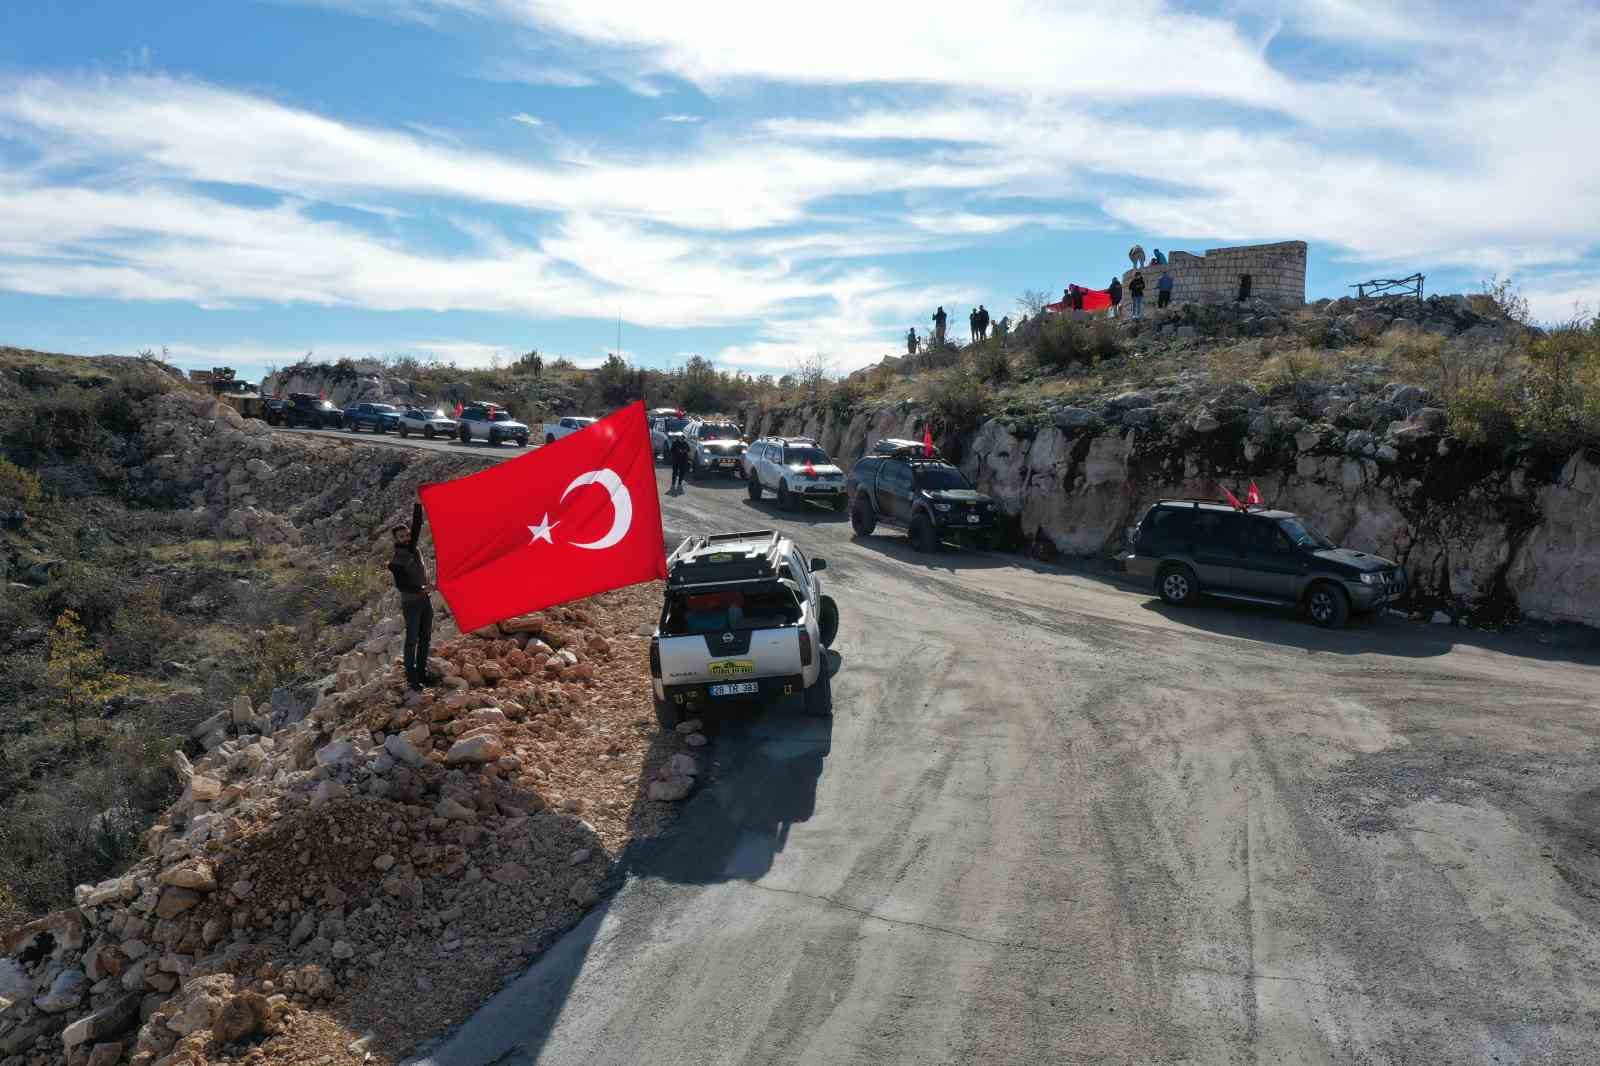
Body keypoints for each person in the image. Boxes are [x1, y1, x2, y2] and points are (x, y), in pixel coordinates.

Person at [389, 502, 439, 690]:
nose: (406, 538)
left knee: (425, 637)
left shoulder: (413, 547)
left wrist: (419, 502)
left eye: (407, 534)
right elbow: (402, 586)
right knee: (412, 640)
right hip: (412, 604)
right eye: (401, 536)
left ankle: (422, 672)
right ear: (396, 539)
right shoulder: (396, 561)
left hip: (424, 601)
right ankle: (412, 677)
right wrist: (422, 589)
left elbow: (417, 524)